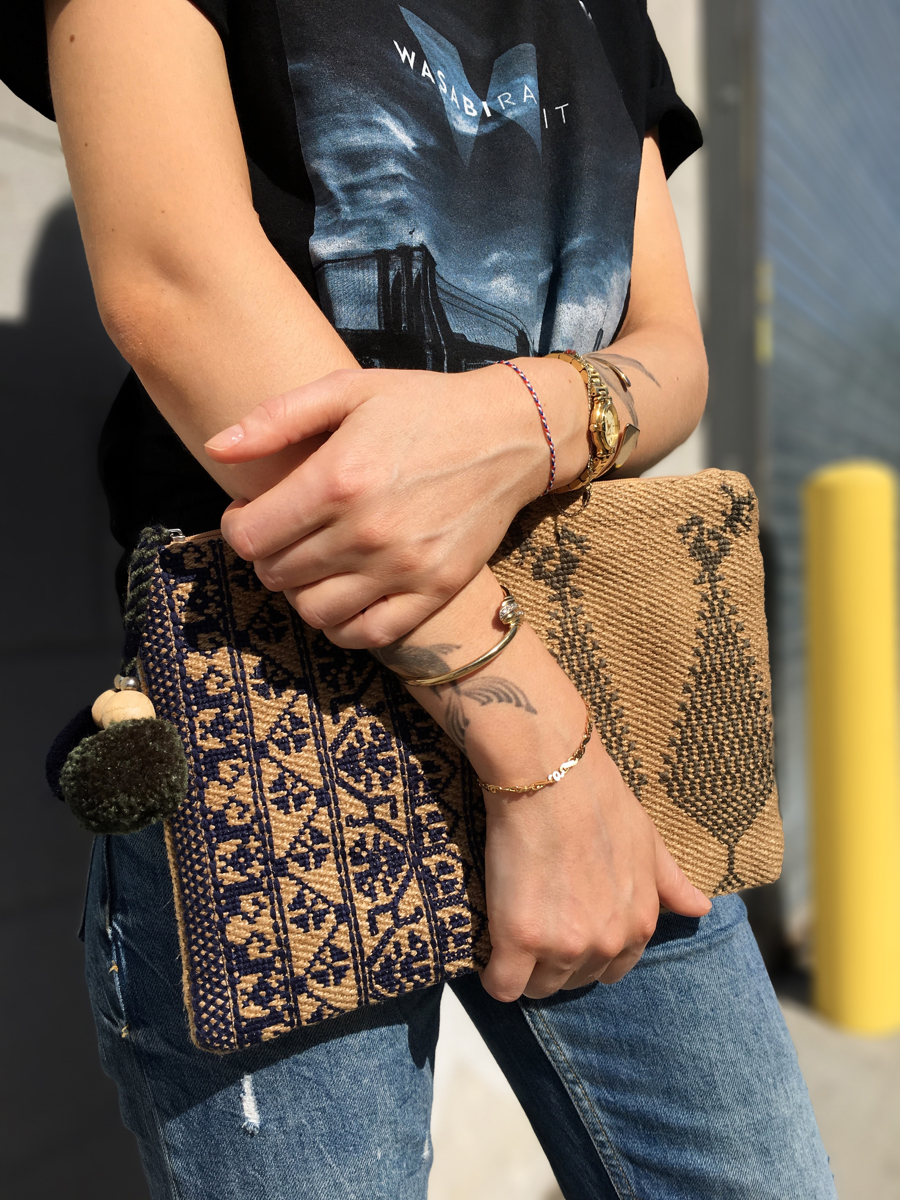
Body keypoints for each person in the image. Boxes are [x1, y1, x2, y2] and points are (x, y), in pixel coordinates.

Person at [2, 0, 836, 1195]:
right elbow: (178, 283)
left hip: (604, 680)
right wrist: (541, 744)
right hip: (276, 692)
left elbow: (672, 349)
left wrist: (521, 419)